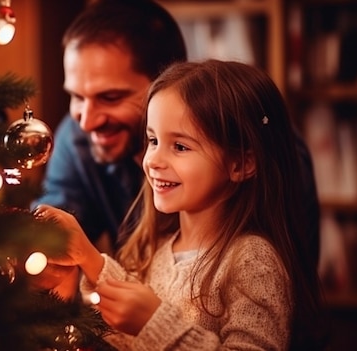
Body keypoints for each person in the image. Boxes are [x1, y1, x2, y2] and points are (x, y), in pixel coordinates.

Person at [34, 60, 329, 351]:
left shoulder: (252, 262)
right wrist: (85, 257)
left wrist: (154, 323)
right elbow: (126, 336)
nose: (154, 161)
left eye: (180, 147)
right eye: (152, 140)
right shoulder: (155, 249)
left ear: (240, 163)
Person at [32, 0, 321, 268]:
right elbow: (49, 239)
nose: (87, 121)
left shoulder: (261, 144)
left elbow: (285, 292)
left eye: (110, 97)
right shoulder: (76, 138)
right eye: (77, 97)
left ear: (167, 82)